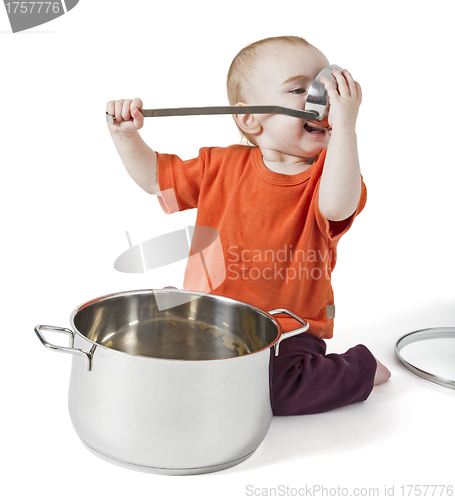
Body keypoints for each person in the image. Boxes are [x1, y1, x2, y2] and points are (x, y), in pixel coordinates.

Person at [106, 35, 391, 415]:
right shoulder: (219, 165)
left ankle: (359, 369)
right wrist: (126, 136)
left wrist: (346, 128)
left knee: (272, 392)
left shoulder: (330, 177)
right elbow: (156, 178)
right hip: (211, 318)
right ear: (249, 117)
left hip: (288, 332)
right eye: (298, 88)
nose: (319, 98)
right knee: (164, 347)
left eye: (324, 86)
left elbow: (338, 208)